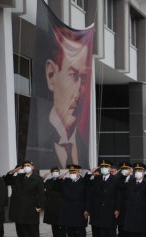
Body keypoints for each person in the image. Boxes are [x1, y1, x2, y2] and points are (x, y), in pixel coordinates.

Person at [28, 26, 92, 168]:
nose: (78, 93)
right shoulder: (34, 138)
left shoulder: (84, 147)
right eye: (73, 75)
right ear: (51, 75)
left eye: (84, 79)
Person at [4, 161, 46, 237]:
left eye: (28, 165)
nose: (26, 167)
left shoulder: (37, 178)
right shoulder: (19, 177)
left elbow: (41, 194)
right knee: (24, 228)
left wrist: (41, 206)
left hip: (32, 206)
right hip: (21, 207)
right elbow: (7, 180)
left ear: (33, 167)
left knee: (33, 228)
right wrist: (13, 171)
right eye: (25, 166)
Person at [88, 160, 120, 237]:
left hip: (111, 208)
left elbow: (118, 196)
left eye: (106, 167)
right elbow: (86, 184)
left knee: (111, 230)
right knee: (102, 230)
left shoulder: (115, 179)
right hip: (99, 208)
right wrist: (90, 173)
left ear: (110, 168)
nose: (103, 169)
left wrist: (117, 209)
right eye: (102, 167)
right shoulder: (97, 178)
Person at [120, 163, 146, 237]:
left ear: (143, 172)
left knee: (142, 232)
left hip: (142, 211)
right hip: (131, 210)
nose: (138, 172)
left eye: (140, 171)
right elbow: (120, 186)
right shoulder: (130, 182)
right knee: (133, 231)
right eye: (136, 171)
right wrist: (124, 175)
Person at [59, 164, 89, 237]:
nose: (72, 173)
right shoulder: (67, 181)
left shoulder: (84, 181)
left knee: (80, 231)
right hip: (68, 209)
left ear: (79, 172)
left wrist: (87, 210)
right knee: (70, 231)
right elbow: (57, 186)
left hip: (80, 209)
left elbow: (88, 197)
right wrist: (64, 174)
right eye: (70, 172)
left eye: (74, 172)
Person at [43, 167, 66, 237]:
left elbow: (61, 189)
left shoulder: (63, 181)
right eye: (53, 171)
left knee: (62, 224)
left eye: (57, 171)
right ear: (51, 173)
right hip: (51, 205)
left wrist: (60, 179)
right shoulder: (48, 181)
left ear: (59, 172)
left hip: (60, 205)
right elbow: (42, 187)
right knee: (53, 224)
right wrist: (43, 178)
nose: (55, 172)